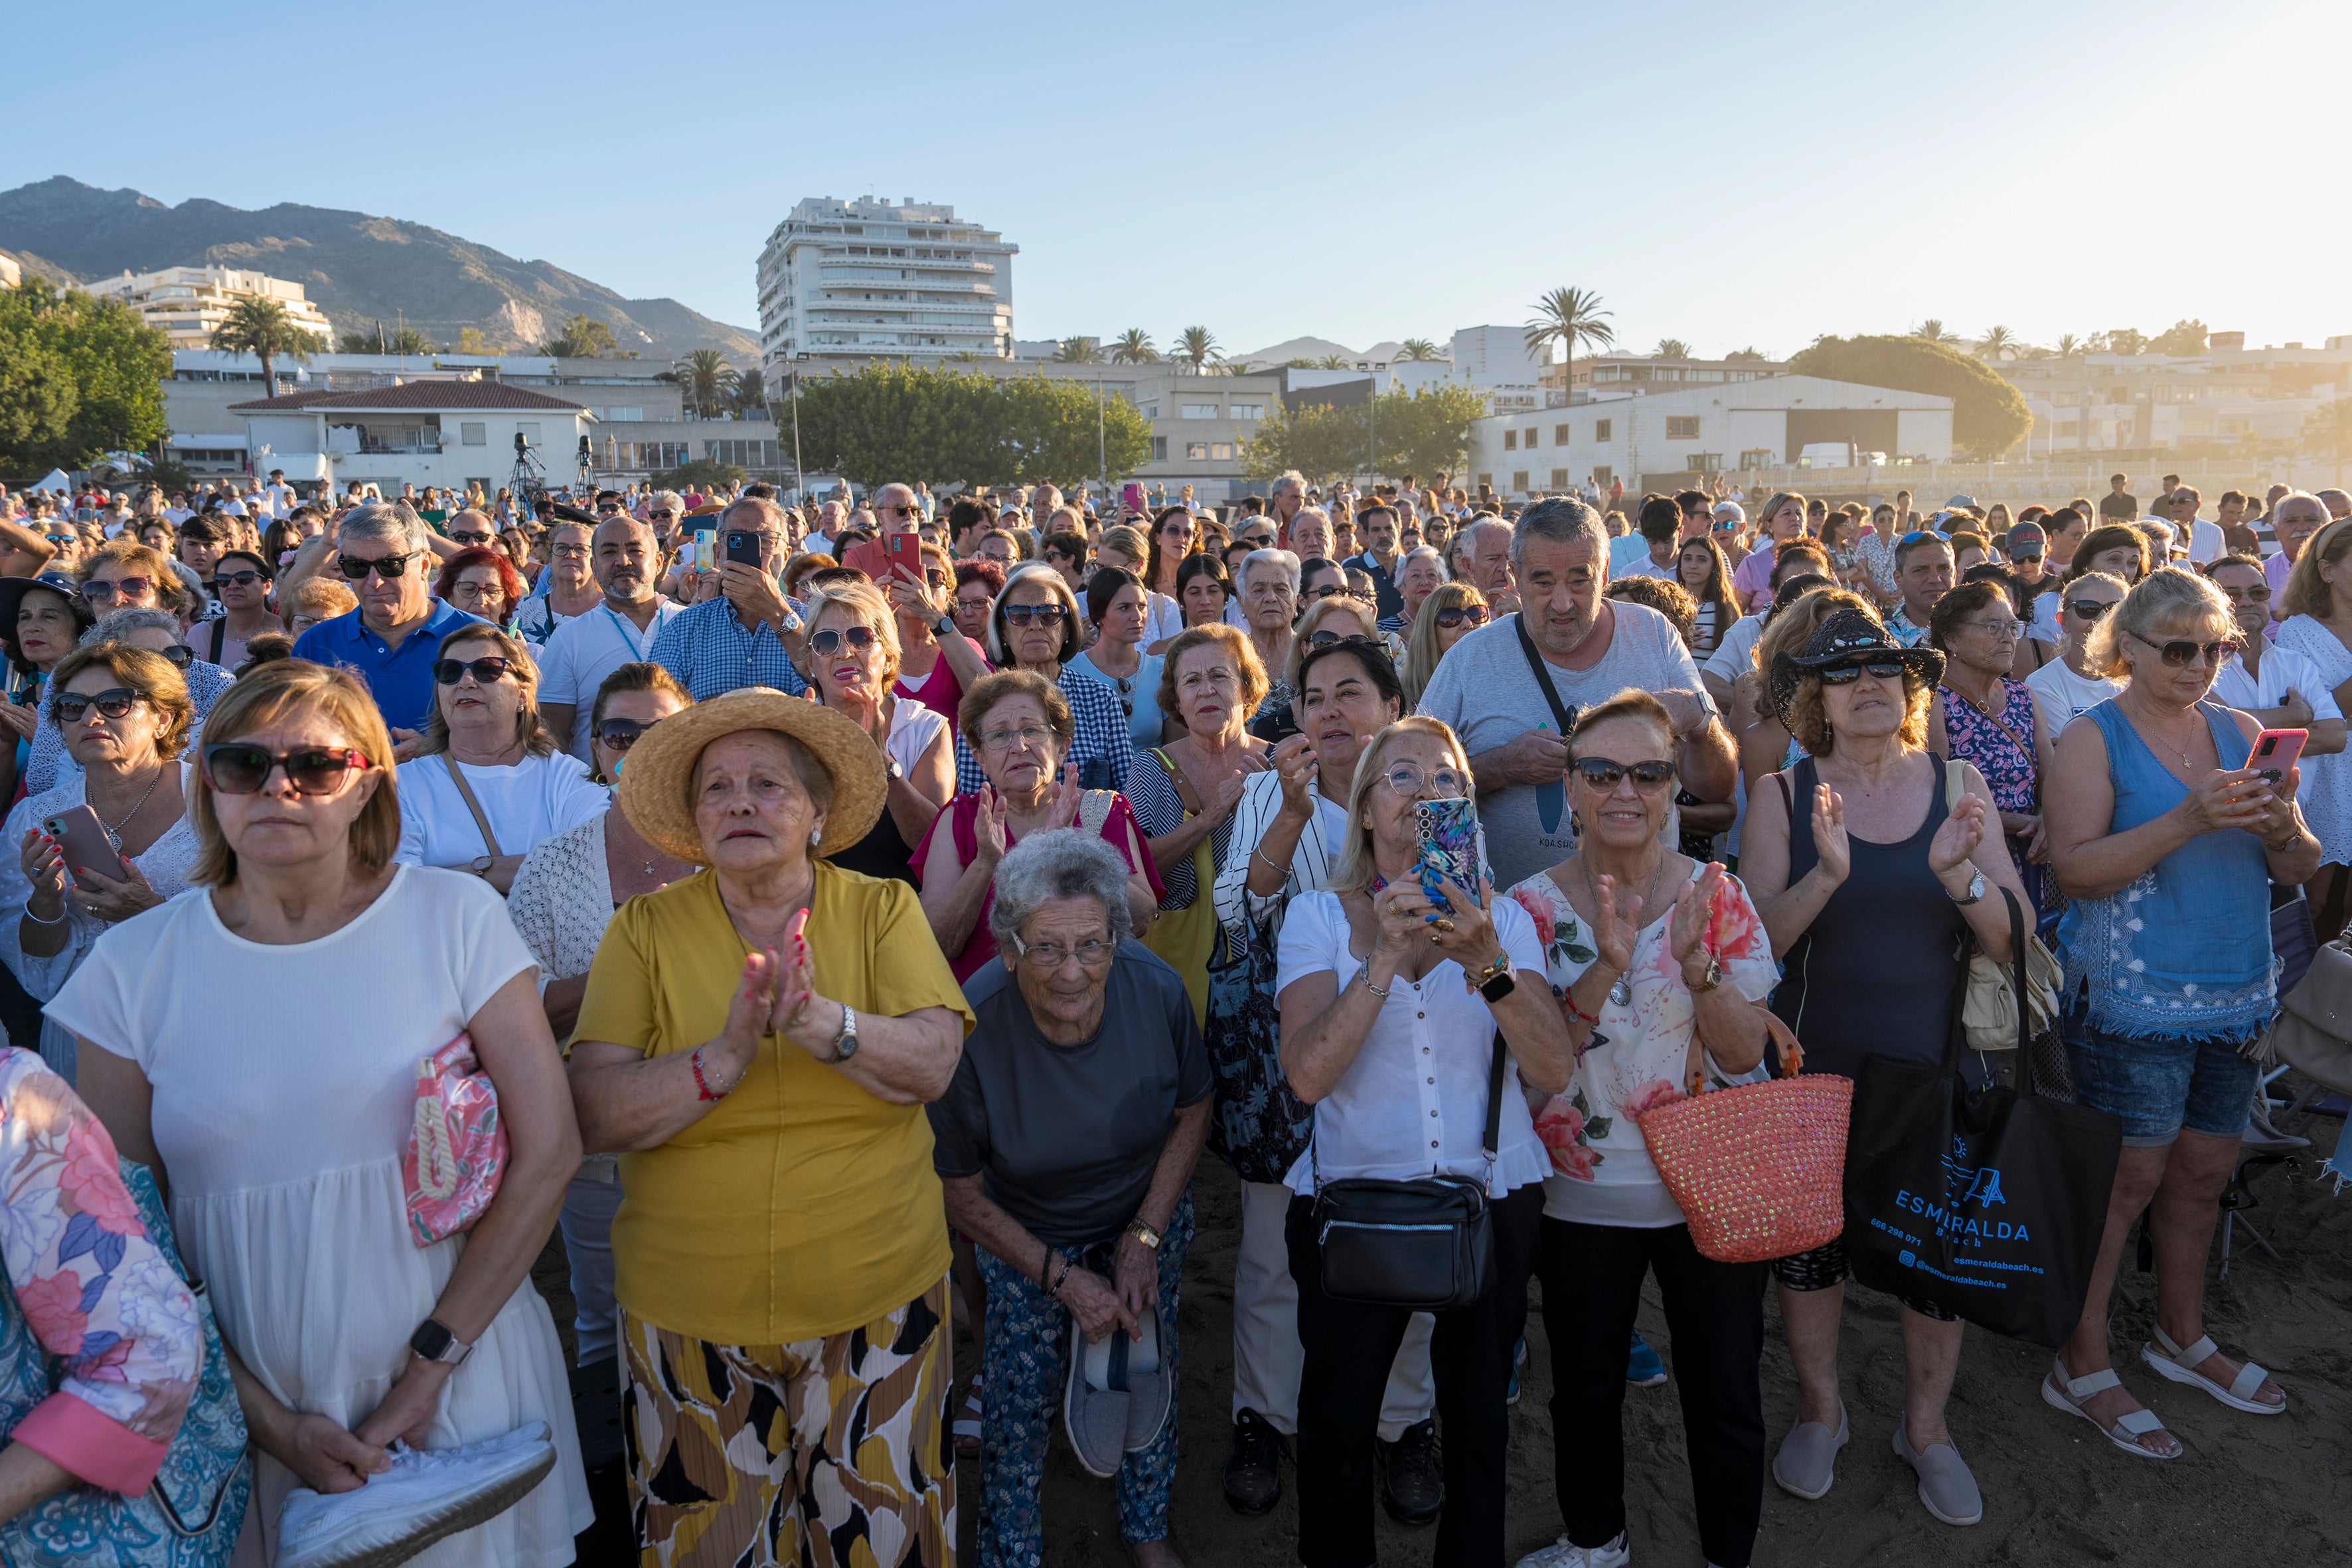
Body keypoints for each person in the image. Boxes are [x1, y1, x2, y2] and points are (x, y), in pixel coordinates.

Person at [62, 661, 593, 1565]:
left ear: (369, 786)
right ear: (209, 784)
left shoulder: (454, 915)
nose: (276, 787)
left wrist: (427, 1372)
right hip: (249, 1397)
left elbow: (550, 1151)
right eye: (241, 764)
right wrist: (270, 1422)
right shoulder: (130, 967)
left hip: (461, 1375)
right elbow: (123, 1245)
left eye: (313, 765)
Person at [566, 686, 975, 1565]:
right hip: (689, 1309)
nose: (740, 800)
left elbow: (935, 1060)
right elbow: (592, 1109)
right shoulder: (641, 931)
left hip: (875, 1296)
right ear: (692, 817)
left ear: (819, 813)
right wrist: (720, 1058)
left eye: (767, 783)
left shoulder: (878, 910)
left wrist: (822, 1022)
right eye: (717, 787)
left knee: (881, 1544)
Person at [1739, 607, 2031, 1525]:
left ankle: (1924, 1428)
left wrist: (1957, 875)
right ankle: (1821, 1410)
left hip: (1930, 1066)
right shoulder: (1778, 796)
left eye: (1885, 669)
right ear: (1816, 698)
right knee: (1809, 1252)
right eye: (1844, 671)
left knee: (1927, 1259)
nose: (1868, 682)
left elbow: (2014, 935)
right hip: (1806, 1064)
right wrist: (1823, 876)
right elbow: (1749, 955)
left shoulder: (1958, 782)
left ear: (1909, 691)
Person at [1277, 716, 1571, 1567]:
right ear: (1365, 809)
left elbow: (1553, 1063)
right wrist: (1385, 958)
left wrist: (1484, 962)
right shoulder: (1319, 919)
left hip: (1489, 1196)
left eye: (1447, 782)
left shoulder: (1506, 922)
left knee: (1480, 1423)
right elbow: (1306, 1075)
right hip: (1355, 1200)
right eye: (1402, 778)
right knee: (1336, 1421)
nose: (1427, 794)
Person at [2043, 569, 2312, 1459]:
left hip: (2233, 993)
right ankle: (2079, 1361)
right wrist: (2188, 820)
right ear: (2126, 648)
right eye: (2179, 648)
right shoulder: (2090, 739)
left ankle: (2178, 1336)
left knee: (2201, 1176)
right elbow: (2073, 871)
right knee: (2122, 1189)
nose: (2200, 664)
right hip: (2133, 1000)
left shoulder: (2239, 733)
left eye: (2216, 647)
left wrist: (2277, 827)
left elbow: (2297, 868)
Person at [1504, 689, 1777, 1568]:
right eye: (1601, 770)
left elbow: (1743, 1058)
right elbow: (1527, 1061)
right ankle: (1595, 1542)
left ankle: (1726, 1553)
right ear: (1570, 788)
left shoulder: (1716, 895)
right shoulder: (1525, 911)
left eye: (1648, 772)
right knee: (1581, 1387)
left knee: (1725, 1387)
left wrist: (1701, 976)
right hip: (1576, 1192)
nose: (1624, 789)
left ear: (1670, 789)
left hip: (1707, 1186)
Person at [1208, 638, 1444, 1516]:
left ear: (1390, 704)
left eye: (1351, 692)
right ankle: (1263, 1419)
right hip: (1295, 1043)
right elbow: (1239, 908)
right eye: (1313, 697)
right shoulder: (1276, 788)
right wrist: (1293, 815)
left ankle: (1403, 1423)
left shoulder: (1429, 783)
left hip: (1404, 1043)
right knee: (1273, 1246)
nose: (1331, 711)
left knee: (1407, 1240)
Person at [931, 831, 1210, 1568]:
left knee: (1150, 1367)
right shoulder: (973, 1023)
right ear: (1010, 946)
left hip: (1139, 1210)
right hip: (1026, 1226)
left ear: (1116, 940)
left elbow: (1194, 1109)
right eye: (1047, 948)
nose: (1072, 972)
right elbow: (960, 1195)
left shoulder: (1156, 990)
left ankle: (1147, 1525)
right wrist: (1059, 1277)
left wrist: (1146, 1235)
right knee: (1017, 1399)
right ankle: (1009, 1547)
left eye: (1092, 944)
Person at [507, 663, 694, 1379]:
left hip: (712, 1134)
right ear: (595, 749)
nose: (640, 749)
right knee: (601, 1316)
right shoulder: (553, 869)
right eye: (622, 733)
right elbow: (520, 1009)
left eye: (663, 732)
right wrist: (635, 964)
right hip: (591, 1141)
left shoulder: (726, 856)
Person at [1417, 500, 1734, 890]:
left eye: (1580, 581)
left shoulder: (1654, 635)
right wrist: (1501, 767)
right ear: (1514, 577)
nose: (1563, 603)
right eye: (1543, 582)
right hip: (1509, 923)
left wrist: (1700, 719)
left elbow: (1717, 789)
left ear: (1604, 574)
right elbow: (1414, 791)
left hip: (1643, 914)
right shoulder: (1470, 658)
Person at [0, 643, 198, 1083]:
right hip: (84, 1030)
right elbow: (32, 958)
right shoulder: (34, 819)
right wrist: (46, 903)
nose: (90, 719)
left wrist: (150, 913)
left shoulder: (217, 802)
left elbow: (258, 920)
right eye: (72, 706)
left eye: (114, 703)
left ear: (162, 719)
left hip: (194, 1021)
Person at [919, 671, 1160, 983]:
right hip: (983, 1013)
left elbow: (1142, 919)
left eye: (1032, 730)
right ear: (980, 758)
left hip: (1086, 997)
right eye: (1000, 735)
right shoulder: (959, 820)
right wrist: (985, 864)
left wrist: (1069, 847)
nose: (1019, 746)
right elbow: (939, 943)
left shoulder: (1099, 812)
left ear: (1062, 748)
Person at [1127, 625, 1271, 1024]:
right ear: (1177, 699)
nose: (1206, 690)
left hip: (1266, 968)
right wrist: (1209, 818)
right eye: (1192, 680)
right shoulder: (1149, 770)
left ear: (1246, 688)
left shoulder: (1278, 767)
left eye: (1220, 676)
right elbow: (1136, 869)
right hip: (1175, 969)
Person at [394, 625, 606, 891]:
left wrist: (475, 870)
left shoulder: (567, 778)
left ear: (522, 692)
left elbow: (594, 863)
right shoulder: (403, 784)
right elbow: (402, 887)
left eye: (487, 669)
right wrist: (539, 869)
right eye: (450, 672)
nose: (466, 682)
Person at [798, 582, 953, 886]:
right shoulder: (795, 729)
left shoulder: (924, 728)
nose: (843, 653)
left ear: (890, 658)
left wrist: (883, 764)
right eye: (826, 642)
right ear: (812, 662)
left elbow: (931, 842)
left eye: (860, 638)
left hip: (898, 904)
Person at [289, 503, 485, 742]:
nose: (375, 582)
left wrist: (432, 755)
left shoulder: (483, 640)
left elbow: (514, 742)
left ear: (424, 566)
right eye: (357, 567)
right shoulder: (315, 643)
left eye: (391, 565)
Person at [953, 565, 1133, 797]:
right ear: (1004, 631)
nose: (1036, 625)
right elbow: (974, 803)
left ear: (1067, 629)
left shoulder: (1100, 699)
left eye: (1050, 614)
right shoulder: (981, 704)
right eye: (1020, 615)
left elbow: (1128, 796)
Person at [1930, 580, 2047, 910]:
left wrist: (2048, 820)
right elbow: (1937, 796)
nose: (2008, 637)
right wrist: (2021, 823)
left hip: (2032, 858)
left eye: (2013, 626)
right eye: (1993, 626)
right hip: (1968, 864)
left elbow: (2050, 781)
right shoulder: (1933, 702)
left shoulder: (2023, 697)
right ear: (1951, 639)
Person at [536, 512, 684, 763]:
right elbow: (552, 736)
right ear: (594, 566)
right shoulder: (569, 638)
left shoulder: (691, 625)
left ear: (659, 562)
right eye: (609, 552)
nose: (623, 561)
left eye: (636, 551)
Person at [2270, 516, 2352, 934]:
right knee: (2317, 900)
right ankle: (2310, 993)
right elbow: (2322, 713)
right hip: (2328, 774)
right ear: (2327, 570)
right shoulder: (2298, 632)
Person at [648, 497, 808, 702]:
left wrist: (777, 612)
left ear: (786, 556)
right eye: (737, 540)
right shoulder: (683, 629)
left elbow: (827, 688)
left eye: (766, 539)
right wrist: (736, 704)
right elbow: (657, 710)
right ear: (719, 553)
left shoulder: (815, 620)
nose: (755, 551)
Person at [2206, 555, 2346, 757]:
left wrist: (2230, 720)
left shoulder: (2295, 664)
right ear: (2206, 602)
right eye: (2232, 594)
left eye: (2259, 593)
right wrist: (2293, 715)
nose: (2247, 602)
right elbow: (2201, 739)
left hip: (2297, 790)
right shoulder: (2198, 665)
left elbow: (2333, 737)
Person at [2025, 571, 2128, 777]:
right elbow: (2071, 762)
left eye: (2114, 610)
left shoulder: (2141, 676)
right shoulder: (2043, 684)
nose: (2102, 619)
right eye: (2088, 609)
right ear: (2064, 622)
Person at [4, 574, 95, 799]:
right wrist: (6, 748)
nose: (31, 627)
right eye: (24, 617)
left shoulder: (103, 704)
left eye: (49, 616)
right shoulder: (11, 703)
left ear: (81, 627)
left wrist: (48, 747)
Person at [1069, 566, 1167, 752]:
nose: (1137, 617)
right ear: (1099, 615)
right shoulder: (1071, 672)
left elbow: (1175, 751)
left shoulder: (1161, 671)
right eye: (1125, 608)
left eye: (1142, 606)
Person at [1400, 583, 1492, 712]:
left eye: (1477, 613)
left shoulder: (1507, 683)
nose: (1468, 624)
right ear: (1429, 632)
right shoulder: (1401, 699)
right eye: (1451, 617)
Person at [512, 519, 600, 645]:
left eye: (580, 549)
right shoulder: (523, 611)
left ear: (595, 560)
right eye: (561, 548)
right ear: (551, 561)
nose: (571, 555)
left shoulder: (614, 611)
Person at [195, 548, 276, 670]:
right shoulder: (202, 634)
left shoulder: (288, 632)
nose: (233, 586)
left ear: (267, 586)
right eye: (223, 580)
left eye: (244, 578)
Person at [1731, 493, 1807, 610]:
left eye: (1799, 513)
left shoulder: (1819, 559)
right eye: (1786, 514)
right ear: (1769, 525)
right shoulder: (1752, 565)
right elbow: (1734, 613)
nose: (1795, 518)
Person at [1887, 531, 1955, 647]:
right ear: (1898, 579)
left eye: (1944, 568)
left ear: (1954, 574)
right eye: (1920, 570)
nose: (1935, 579)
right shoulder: (1884, 640)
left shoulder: (1977, 631)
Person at [1677, 535, 1739, 660]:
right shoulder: (1668, 605)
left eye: (1702, 560)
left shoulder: (1726, 608)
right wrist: (1679, 639)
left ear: (1714, 566)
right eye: (1687, 559)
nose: (1693, 565)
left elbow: (1735, 656)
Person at [435, 546, 525, 631]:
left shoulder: (528, 648)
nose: (481, 601)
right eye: (469, 589)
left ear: (505, 603)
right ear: (450, 596)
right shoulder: (429, 646)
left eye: (491, 591)